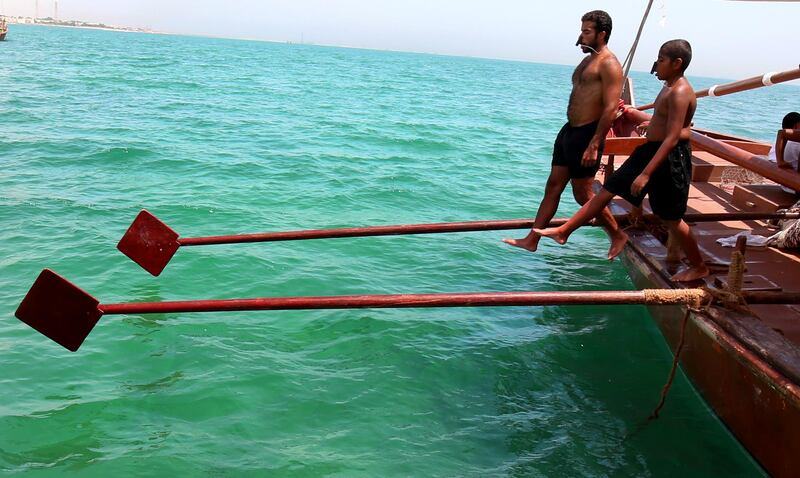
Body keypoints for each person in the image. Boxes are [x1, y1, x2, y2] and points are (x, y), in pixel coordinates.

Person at [533, 40, 709, 282]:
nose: (655, 65)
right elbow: (665, 121)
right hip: (649, 149)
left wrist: (646, 174)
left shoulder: (680, 91)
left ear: (677, 63)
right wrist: (650, 122)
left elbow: (672, 137)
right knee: (607, 190)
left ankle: (699, 265)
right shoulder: (669, 86)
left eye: (660, 60)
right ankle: (564, 231)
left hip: (668, 157)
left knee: (671, 217)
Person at [503, 10, 628, 260]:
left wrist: (595, 143)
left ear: (602, 34)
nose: (581, 36)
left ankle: (617, 235)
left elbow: (610, 107)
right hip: (569, 131)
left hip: (588, 134)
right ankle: (532, 239)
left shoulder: (609, 64)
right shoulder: (587, 60)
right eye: (581, 30)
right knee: (553, 186)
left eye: (586, 32)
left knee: (583, 194)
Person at [768, 112, 800, 193]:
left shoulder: (778, 143)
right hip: (795, 187)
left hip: (785, 185)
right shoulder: (796, 143)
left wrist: (780, 161)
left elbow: (782, 133)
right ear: (796, 125)